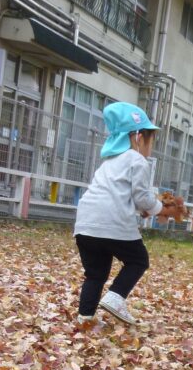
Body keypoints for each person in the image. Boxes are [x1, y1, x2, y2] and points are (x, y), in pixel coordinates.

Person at [73, 101, 176, 326]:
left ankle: (85, 317)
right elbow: (142, 197)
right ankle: (116, 297)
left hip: (86, 224)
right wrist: (161, 209)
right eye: (150, 141)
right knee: (138, 260)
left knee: (95, 273)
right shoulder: (136, 160)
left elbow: (120, 195)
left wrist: (144, 210)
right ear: (138, 137)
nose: (150, 148)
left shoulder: (109, 162)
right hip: (112, 223)